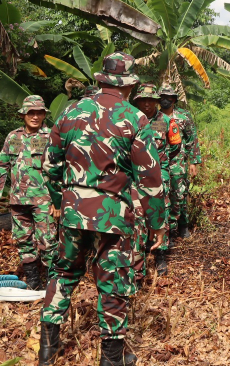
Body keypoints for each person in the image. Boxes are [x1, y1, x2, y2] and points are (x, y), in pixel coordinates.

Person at [38, 53, 165, 366]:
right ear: (130, 85)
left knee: (64, 273)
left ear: (100, 80)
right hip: (111, 215)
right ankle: (111, 358)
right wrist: (158, 223)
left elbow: (49, 165)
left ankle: (46, 350)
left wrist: (61, 201)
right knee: (112, 282)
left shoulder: (70, 112)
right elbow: (150, 179)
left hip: (72, 211)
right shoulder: (135, 118)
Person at [0, 95, 58, 290]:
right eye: (31, 113)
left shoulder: (51, 136)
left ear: (44, 115)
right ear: (23, 115)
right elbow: (1, 165)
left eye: (39, 113)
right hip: (18, 199)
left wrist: (58, 200)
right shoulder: (13, 137)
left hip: (43, 199)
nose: (35, 117)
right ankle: (33, 280)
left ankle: (52, 284)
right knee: (23, 240)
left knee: (48, 240)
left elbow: (59, 169)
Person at [131, 83, 181, 278]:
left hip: (160, 175)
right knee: (139, 214)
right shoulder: (132, 120)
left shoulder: (166, 121)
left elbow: (175, 146)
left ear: (156, 102)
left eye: (151, 101)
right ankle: (141, 253)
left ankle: (161, 254)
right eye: (143, 100)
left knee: (163, 212)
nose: (146, 104)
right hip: (136, 178)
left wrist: (162, 165)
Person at [158, 83, 202, 239]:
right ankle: (168, 230)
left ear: (174, 99)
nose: (165, 100)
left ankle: (183, 225)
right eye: (162, 97)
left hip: (179, 163)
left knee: (180, 194)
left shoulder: (183, 116)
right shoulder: (156, 118)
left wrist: (194, 162)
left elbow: (192, 139)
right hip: (161, 163)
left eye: (168, 97)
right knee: (164, 196)